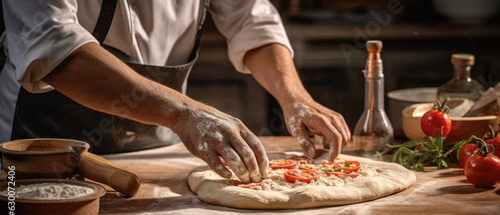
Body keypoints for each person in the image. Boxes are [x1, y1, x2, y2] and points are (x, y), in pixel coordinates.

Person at [0, 0, 350, 184]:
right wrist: (184, 113)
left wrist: (295, 97)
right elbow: (53, 45)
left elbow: (251, 19)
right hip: (38, 157)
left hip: (158, 156)